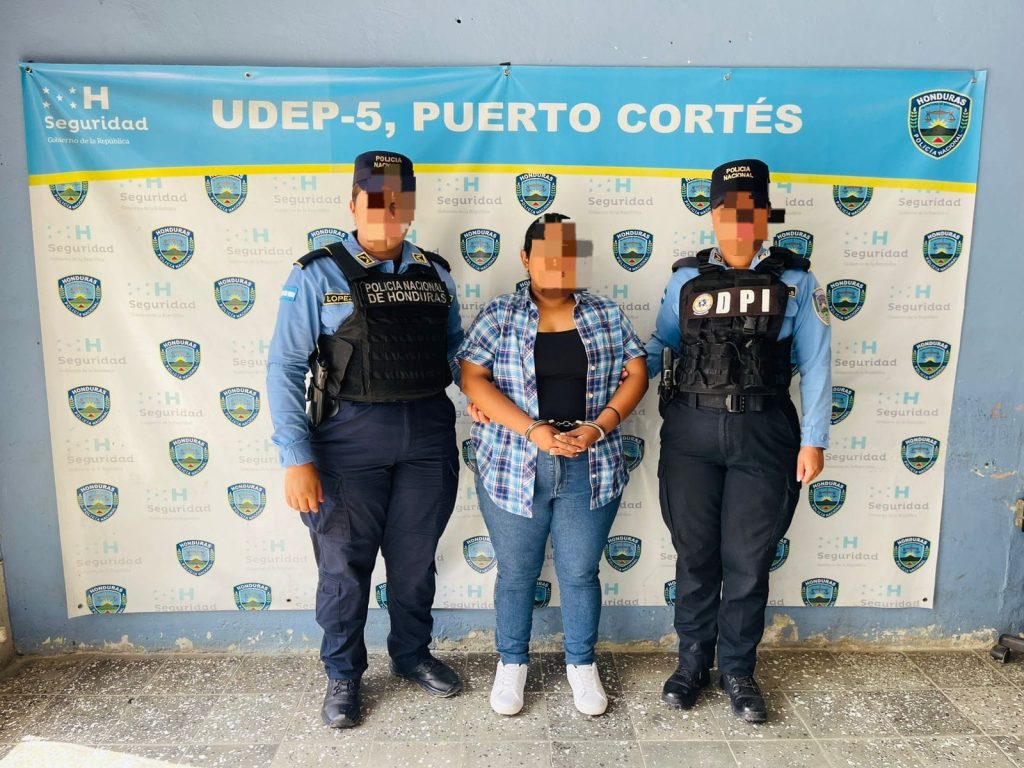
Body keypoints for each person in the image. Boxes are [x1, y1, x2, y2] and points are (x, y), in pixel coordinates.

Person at [266, 151, 465, 729]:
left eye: (398, 202)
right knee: (343, 566)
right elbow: (284, 366)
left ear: (410, 207)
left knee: (413, 561)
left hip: (426, 436)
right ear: (353, 205)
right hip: (347, 442)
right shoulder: (316, 273)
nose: (387, 213)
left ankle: (411, 654)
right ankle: (344, 674)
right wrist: (296, 457)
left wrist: (477, 388)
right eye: (375, 202)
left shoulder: (435, 272)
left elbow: (454, 350)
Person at [646, 159, 831, 722]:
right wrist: (603, 399)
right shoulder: (686, 278)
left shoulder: (797, 280)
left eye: (752, 213)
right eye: (730, 211)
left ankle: (738, 671)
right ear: (712, 214)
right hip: (692, 433)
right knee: (695, 555)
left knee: (748, 563)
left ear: (766, 217)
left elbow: (818, 364)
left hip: (765, 432)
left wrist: (815, 438)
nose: (740, 224)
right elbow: (659, 347)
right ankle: (691, 664)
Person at [458, 213, 648, 717]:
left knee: (580, 572)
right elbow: (472, 377)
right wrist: (532, 430)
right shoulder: (500, 315)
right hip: (514, 462)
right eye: (547, 255)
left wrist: (600, 425)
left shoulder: (605, 313)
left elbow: (636, 372)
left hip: (592, 461)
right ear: (526, 259)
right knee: (517, 573)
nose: (559, 265)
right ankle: (512, 662)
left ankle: (581, 664)